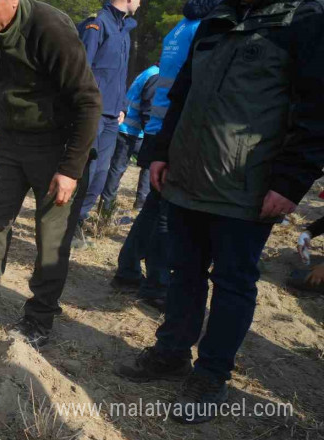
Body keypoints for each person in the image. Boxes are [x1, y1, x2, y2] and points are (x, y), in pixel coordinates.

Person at [116, 0, 324, 424]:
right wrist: (159, 151)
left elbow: (317, 110)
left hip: (247, 189)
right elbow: (181, 94)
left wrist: (289, 182)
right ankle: (172, 353)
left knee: (232, 283)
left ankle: (210, 375)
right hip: (188, 179)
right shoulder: (215, 20)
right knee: (183, 272)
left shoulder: (307, 20)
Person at [0, 0, 102, 348]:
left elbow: (88, 101)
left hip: (58, 145)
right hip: (10, 142)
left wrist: (70, 169)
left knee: (51, 238)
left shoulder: (49, 28)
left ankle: (38, 320)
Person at [108, 0, 221, 310]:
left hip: (160, 128)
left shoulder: (178, 29)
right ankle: (157, 284)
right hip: (177, 130)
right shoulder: (205, 28)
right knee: (166, 215)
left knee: (154, 208)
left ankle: (128, 269)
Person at [74, 0, 141, 249]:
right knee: (84, 170)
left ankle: (78, 222)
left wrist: (122, 105)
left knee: (101, 174)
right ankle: (66, 225)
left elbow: (119, 74)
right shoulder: (98, 23)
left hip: (113, 115)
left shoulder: (124, 29)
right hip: (93, 112)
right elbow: (82, 69)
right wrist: (85, 106)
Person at [99, 64, 159, 214]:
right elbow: (147, 108)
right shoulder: (156, 76)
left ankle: (140, 203)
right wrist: (151, 134)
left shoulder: (150, 71)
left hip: (134, 130)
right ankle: (106, 207)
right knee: (118, 168)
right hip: (129, 130)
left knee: (147, 163)